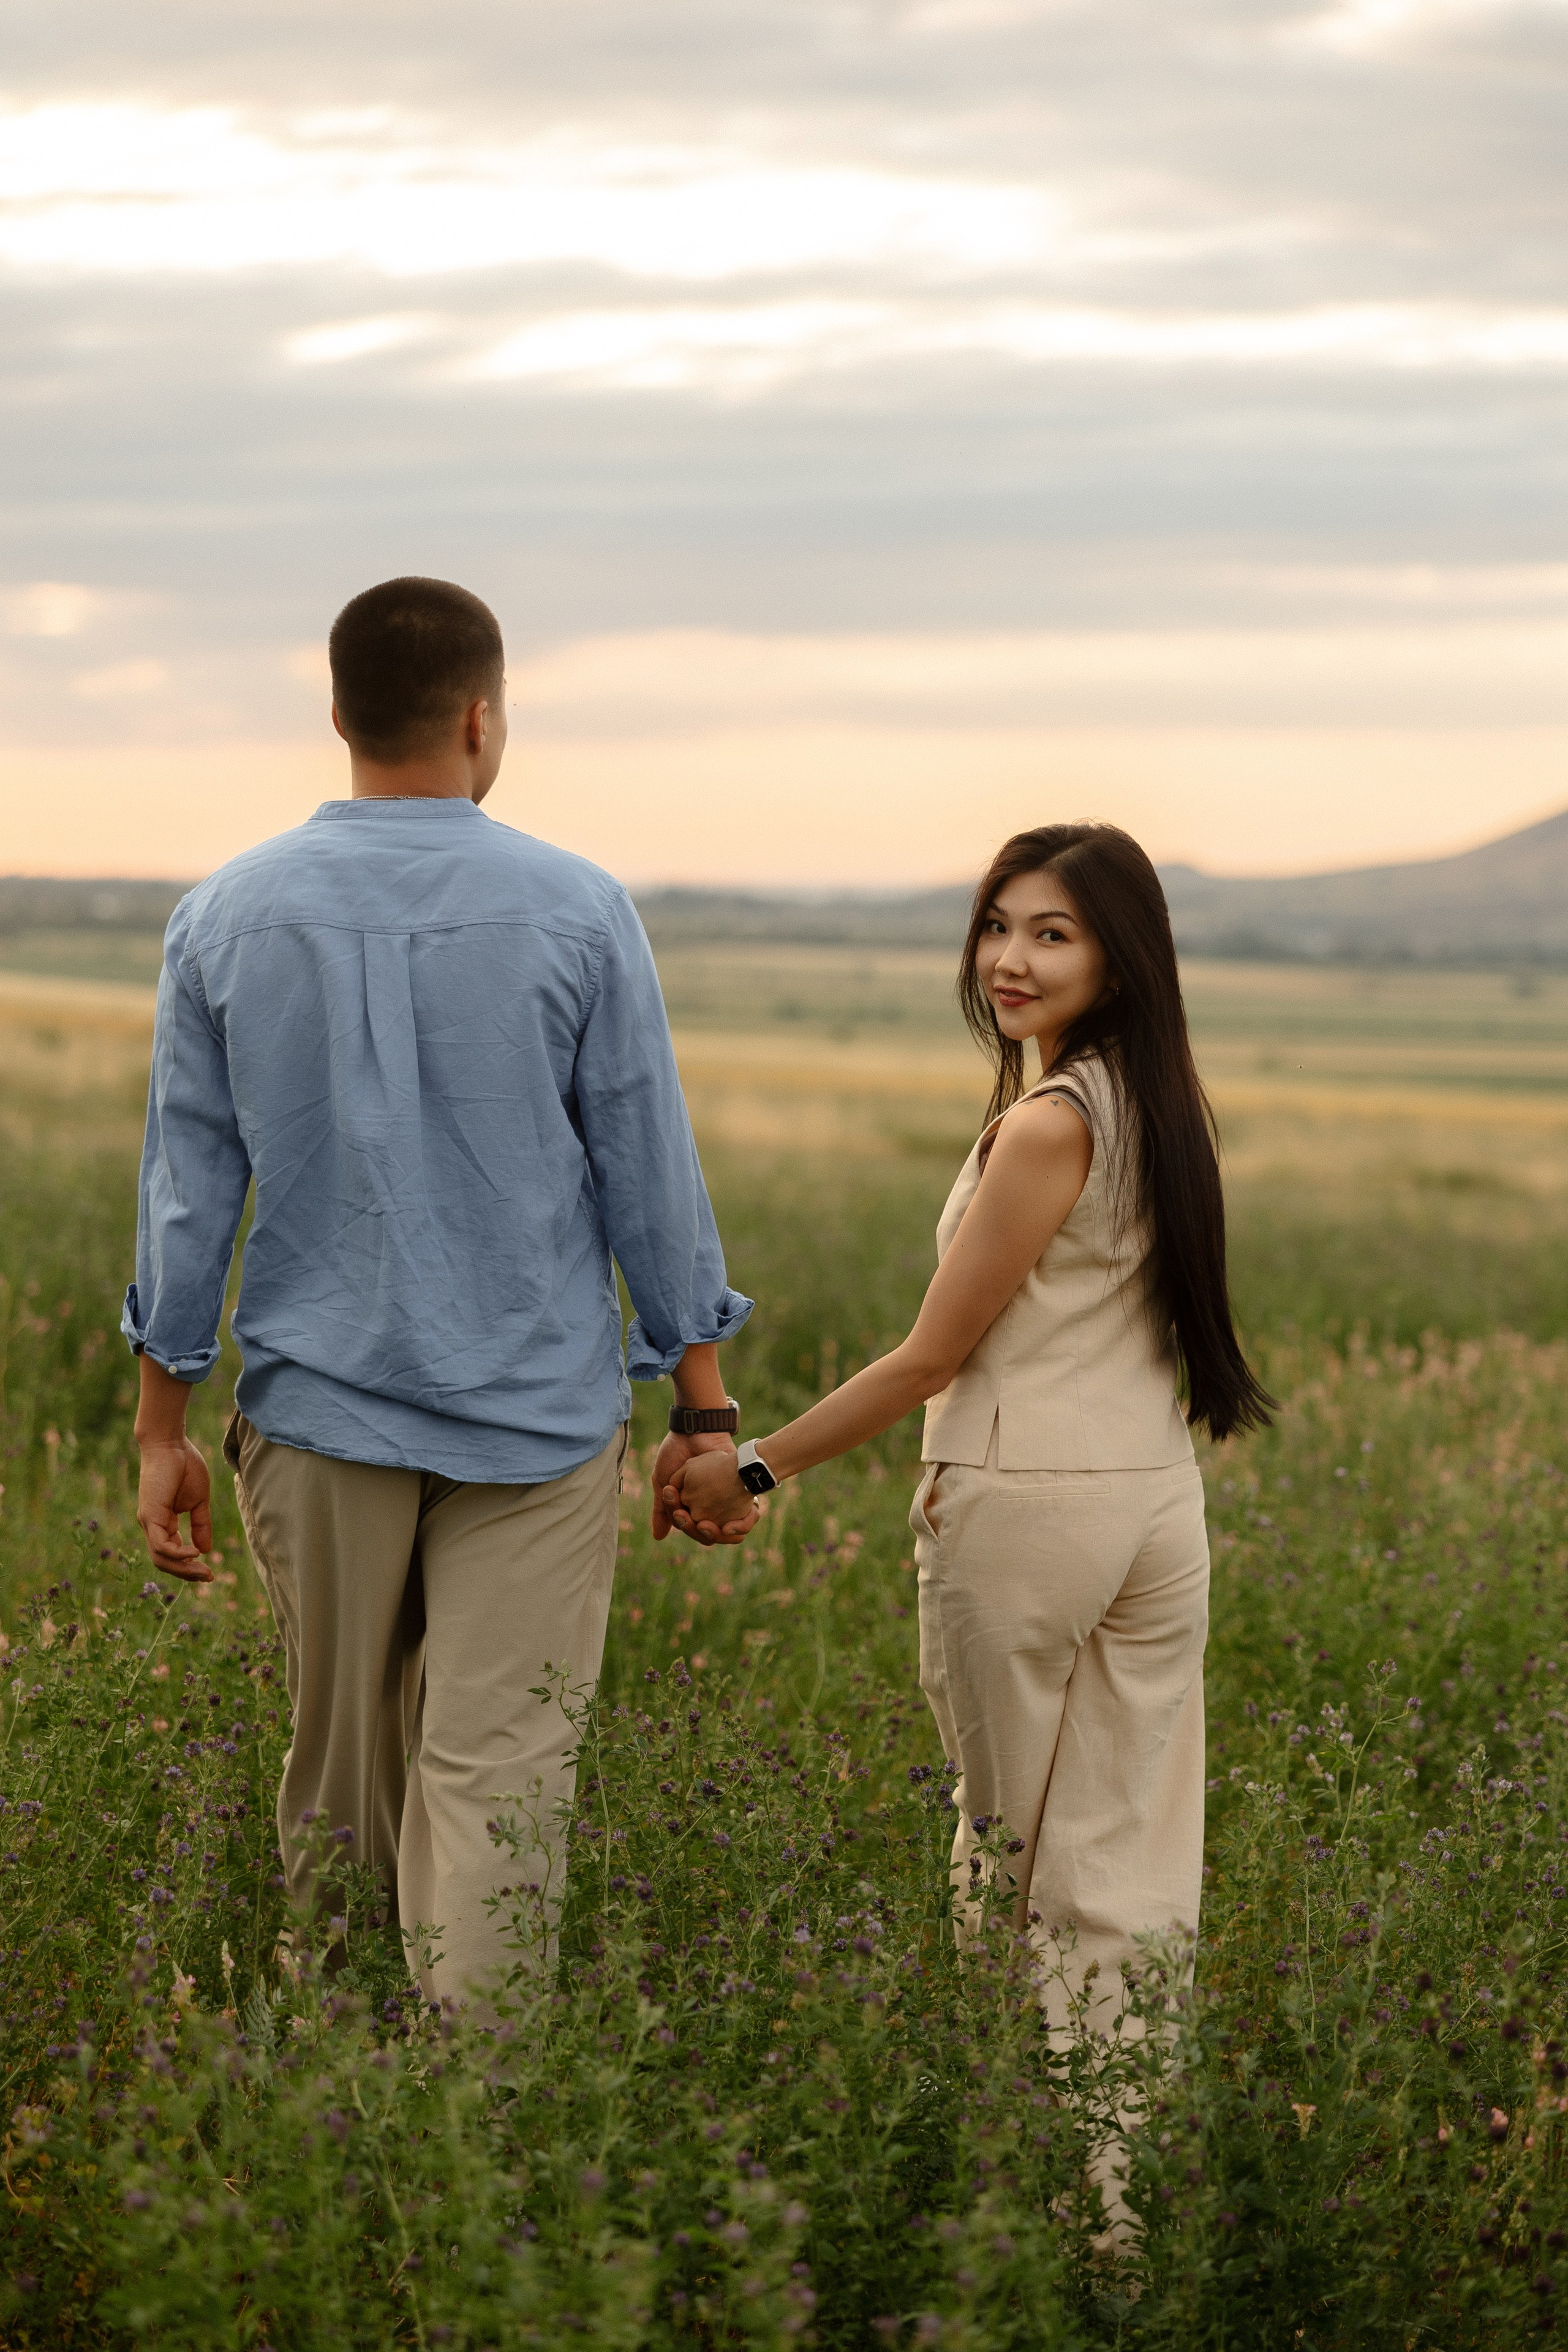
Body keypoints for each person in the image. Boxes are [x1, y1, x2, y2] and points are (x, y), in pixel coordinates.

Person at [127, 575, 754, 2015]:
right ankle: (472, 2140)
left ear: (338, 715)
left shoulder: (222, 915)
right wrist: (704, 1414)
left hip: (320, 1409)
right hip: (535, 1424)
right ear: (482, 717)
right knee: (498, 1785)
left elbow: (187, 1191)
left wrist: (164, 1426)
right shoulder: (581, 909)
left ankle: (339, 2117)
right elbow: (649, 1171)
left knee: (340, 1781)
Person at [668, 823, 1272, 2180]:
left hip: (1028, 1510)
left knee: (1004, 1871)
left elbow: (932, 1355)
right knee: (1124, 1869)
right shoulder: (1156, 1104)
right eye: (997, 925)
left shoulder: (1050, 1123)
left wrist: (752, 1463)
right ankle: (1125, 2200)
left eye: (1049, 933)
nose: (1007, 957)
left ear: (1118, 960)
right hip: (1151, 1512)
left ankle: (1026, 2200)